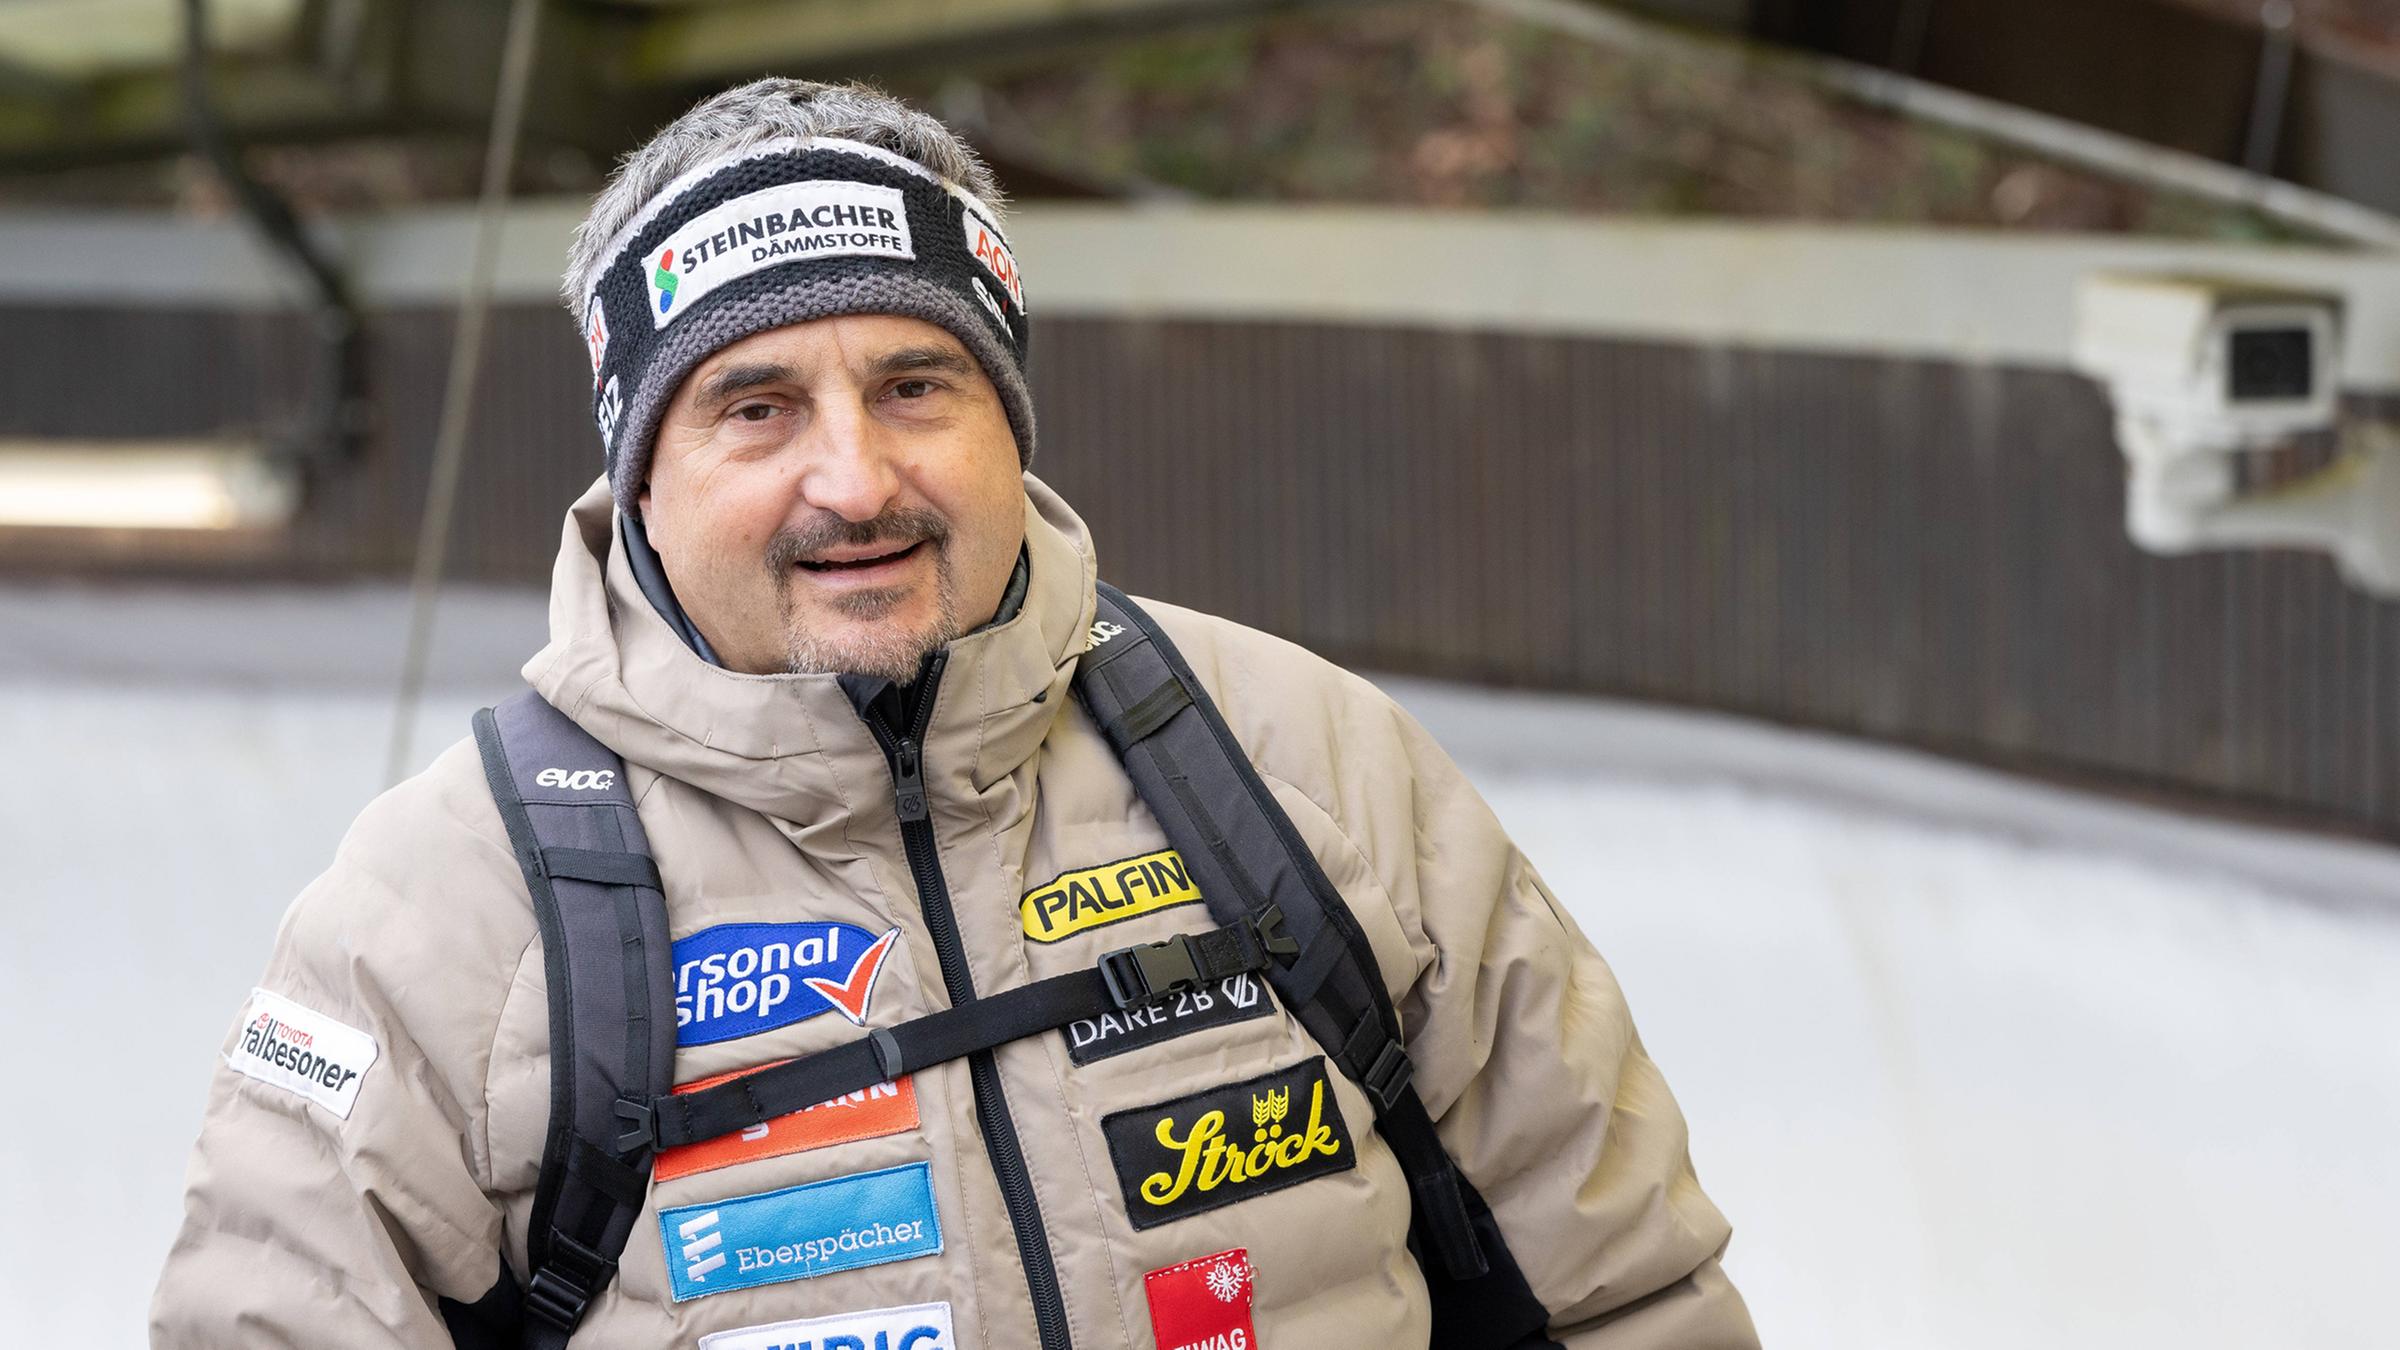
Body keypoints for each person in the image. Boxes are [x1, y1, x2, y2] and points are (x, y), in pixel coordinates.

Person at [151, 78, 1757, 1350]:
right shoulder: (439, 912)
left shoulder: (1310, 761)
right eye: (756, 407)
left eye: (915, 384)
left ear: (1009, 418)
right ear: (641, 476)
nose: (855, 480)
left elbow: (1628, 1299)